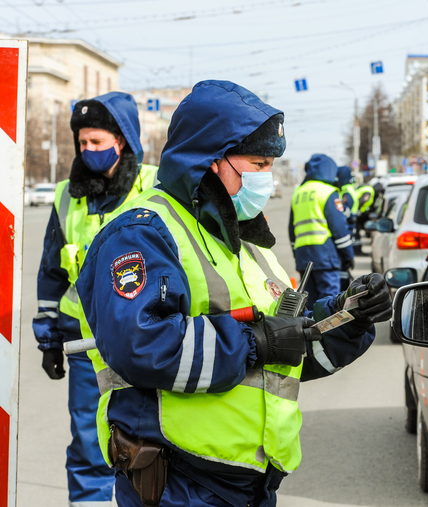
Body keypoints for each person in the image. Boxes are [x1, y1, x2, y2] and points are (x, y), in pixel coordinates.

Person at [74, 80, 392, 507]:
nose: (268, 179)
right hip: (178, 482)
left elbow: (289, 352)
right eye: (258, 164)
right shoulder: (144, 233)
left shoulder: (250, 245)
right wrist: (256, 342)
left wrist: (348, 316)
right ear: (208, 161)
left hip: (251, 483)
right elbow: (142, 345)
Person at [33, 91, 158, 506]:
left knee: (150, 441)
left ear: (121, 141)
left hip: (149, 338)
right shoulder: (68, 195)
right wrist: (49, 334)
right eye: (82, 143)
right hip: (85, 346)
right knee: (89, 443)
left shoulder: (155, 186)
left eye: (97, 143)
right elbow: (52, 270)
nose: (87, 151)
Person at [289, 154, 354, 310]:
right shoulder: (328, 191)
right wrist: (348, 255)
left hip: (303, 256)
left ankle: (311, 333)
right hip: (325, 256)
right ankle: (327, 334)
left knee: (309, 301)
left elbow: (292, 230)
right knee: (329, 301)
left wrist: (296, 254)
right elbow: (339, 228)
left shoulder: (298, 193)